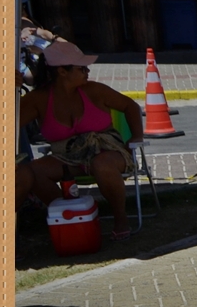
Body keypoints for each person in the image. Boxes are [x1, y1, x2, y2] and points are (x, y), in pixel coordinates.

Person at [17, 41, 144, 239]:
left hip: (106, 150)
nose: (87, 71)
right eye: (82, 68)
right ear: (62, 71)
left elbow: (131, 106)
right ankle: (73, 214)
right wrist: (8, 92)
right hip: (67, 155)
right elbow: (8, 123)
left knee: (101, 163)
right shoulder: (39, 99)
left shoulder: (94, 90)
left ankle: (121, 218)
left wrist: (136, 137)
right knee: (31, 172)